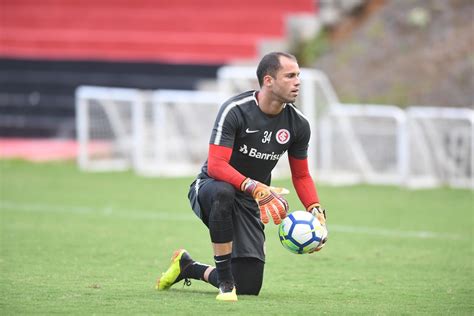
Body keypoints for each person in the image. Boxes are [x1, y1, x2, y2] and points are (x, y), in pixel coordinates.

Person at [155, 52, 327, 302]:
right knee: (224, 192)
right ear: (268, 80)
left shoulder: (299, 124)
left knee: (248, 286)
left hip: (251, 199)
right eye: (290, 76)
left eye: (298, 75)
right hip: (210, 188)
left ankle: (188, 267)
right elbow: (216, 165)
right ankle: (225, 284)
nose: (298, 81)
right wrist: (255, 186)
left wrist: (315, 209)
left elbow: (301, 175)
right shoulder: (235, 110)